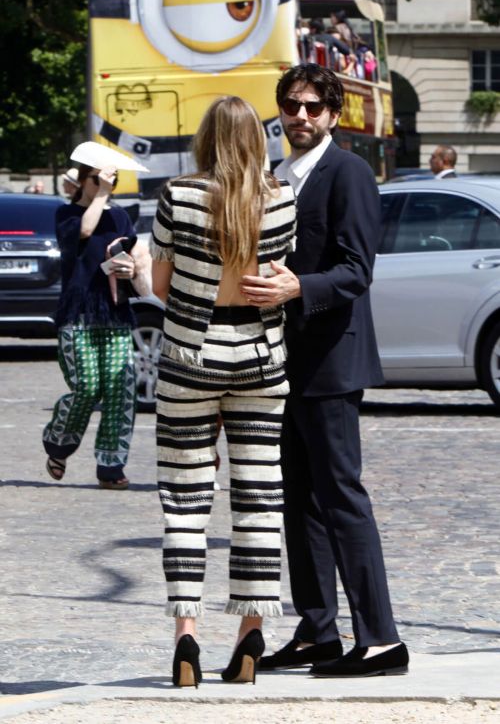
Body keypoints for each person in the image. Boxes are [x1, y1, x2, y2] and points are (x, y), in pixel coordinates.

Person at [240, 64, 409, 678]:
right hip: (280, 366)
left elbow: (356, 270)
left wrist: (296, 287)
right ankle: (318, 632)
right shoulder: (274, 177)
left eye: (313, 107)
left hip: (333, 362)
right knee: (298, 503)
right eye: (292, 105)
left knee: (342, 499)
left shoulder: (350, 173)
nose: (301, 117)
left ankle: (382, 639)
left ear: (334, 114)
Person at [150, 96, 296, 688]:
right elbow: (276, 280)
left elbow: (160, 286)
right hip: (260, 361)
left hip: (191, 359)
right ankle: (250, 634)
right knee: (260, 500)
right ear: (257, 140)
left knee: (184, 501)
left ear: (207, 138)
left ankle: (187, 638)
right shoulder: (281, 198)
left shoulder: (179, 195)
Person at [43, 143, 150, 490]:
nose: (106, 185)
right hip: (79, 314)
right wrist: (101, 196)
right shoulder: (66, 215)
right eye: (98, 180)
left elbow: (134, 260)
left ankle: (110, 465)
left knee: (121, 390)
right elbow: (85, 232)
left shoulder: (119, 217)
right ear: (82, 181)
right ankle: (59, 441)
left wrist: (130, 268)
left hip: (115, 312)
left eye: (111, 180)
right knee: (87, 387)